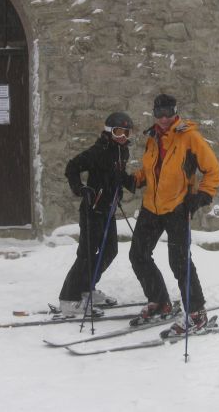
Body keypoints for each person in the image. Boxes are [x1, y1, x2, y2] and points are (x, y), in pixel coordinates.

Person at [125, 94, 219, 334]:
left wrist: (201, 196)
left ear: (175, 111)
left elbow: (213, 170)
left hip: (178, 207)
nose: (164, 118)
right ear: (154, 114)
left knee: (179, 262)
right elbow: (152, 170)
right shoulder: (153, 137)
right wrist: (132, 180)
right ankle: (160, 303)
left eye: (168, 112)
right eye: (160, 113)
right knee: (138, 255)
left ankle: (197, 314)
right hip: (151, 207)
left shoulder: (189, 137)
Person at [58, 112, 134, 316]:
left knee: (110, 252)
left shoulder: (122, 152)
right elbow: (72, 167)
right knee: (87, 255)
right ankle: (68, 298)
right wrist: (80, 189)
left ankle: (87, 289)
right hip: (92, 210)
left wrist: (132, 182)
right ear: (109, 131)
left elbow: (117, 175)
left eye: (126, 132)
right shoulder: (98, 151)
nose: (123, 136)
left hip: (108, 210)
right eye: (118, 132)